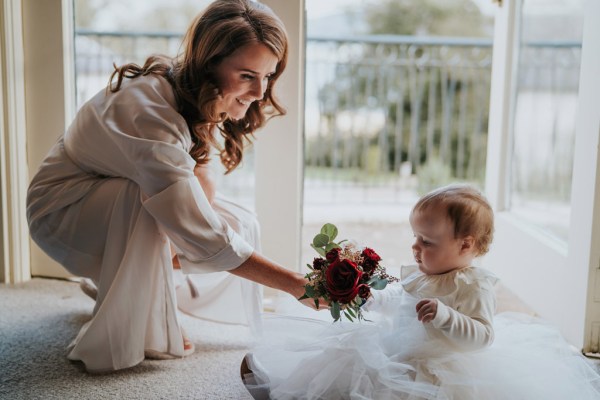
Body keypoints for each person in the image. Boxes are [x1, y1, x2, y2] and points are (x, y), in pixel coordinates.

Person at [26, 0, 313, 373]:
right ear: (208, 64)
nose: (260, 91)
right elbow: (199, 229)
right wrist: (294, 284)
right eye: (246, 76)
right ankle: (131, 306)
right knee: (152, 206)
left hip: (100, 198)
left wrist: (180, 240)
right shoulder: (148, 112)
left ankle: (123, 285)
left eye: (269, 75)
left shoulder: (188, 92)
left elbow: (198, 191)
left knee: (238, 221)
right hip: (61, 211)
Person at [242, 184, 600, 399]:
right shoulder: (423, 272)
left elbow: (483, 336)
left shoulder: (471, 285)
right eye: (415, 237)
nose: (415, 247)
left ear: (465, 245)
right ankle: (290, 384)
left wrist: (446, 316)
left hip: (442, 365)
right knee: (348, 360)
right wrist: (371, 297)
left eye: (426, 241)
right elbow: (399, 302)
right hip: (397, 347)